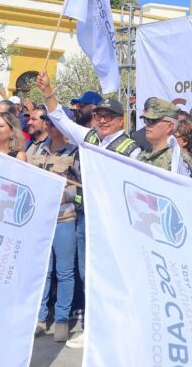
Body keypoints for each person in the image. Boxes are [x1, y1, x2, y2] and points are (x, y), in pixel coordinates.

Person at [36, 70, 140, 349]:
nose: (103, 121)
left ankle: (114, 328)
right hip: (87, 218)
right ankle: (94, 328)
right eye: (99, 115)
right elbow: (60, 118)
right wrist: (47, 92)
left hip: (113, 222)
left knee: (111, 275)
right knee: (88, 274)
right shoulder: (89, 137)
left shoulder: (131, 149)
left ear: (121, 120)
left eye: (109, 117)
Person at [29, 107, 80, 343]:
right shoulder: (37, 149)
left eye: (52, 122)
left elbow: (83, 189)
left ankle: (61, 319)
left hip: (64, 220)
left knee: (64, 271)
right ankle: (39, 318)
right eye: (46, 122)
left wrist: (67, 196)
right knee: (43, 271)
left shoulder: (76, 153)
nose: (47, 125)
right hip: (40, 219)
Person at [137, 99, 192, 177]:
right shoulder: (141, 156)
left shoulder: (178, 161)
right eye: (145, 120)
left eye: (152, 121)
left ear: (169, 126)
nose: (147, 124)